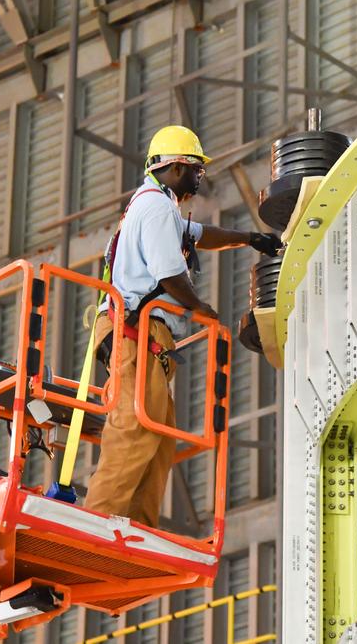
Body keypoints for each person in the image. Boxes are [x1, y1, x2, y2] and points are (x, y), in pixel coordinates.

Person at [82, 125, 282, 527]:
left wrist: (249, 238)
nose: (199, 179)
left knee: (157, 439)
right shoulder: (157, 207)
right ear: (176, 168)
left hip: (143, 337)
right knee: (134, 431)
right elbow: (170, 273)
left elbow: (201, 235)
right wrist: (200, 308)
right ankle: (97, 526)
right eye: (196, 170)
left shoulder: (154, 207)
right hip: (136, 333)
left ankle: (136, 530)